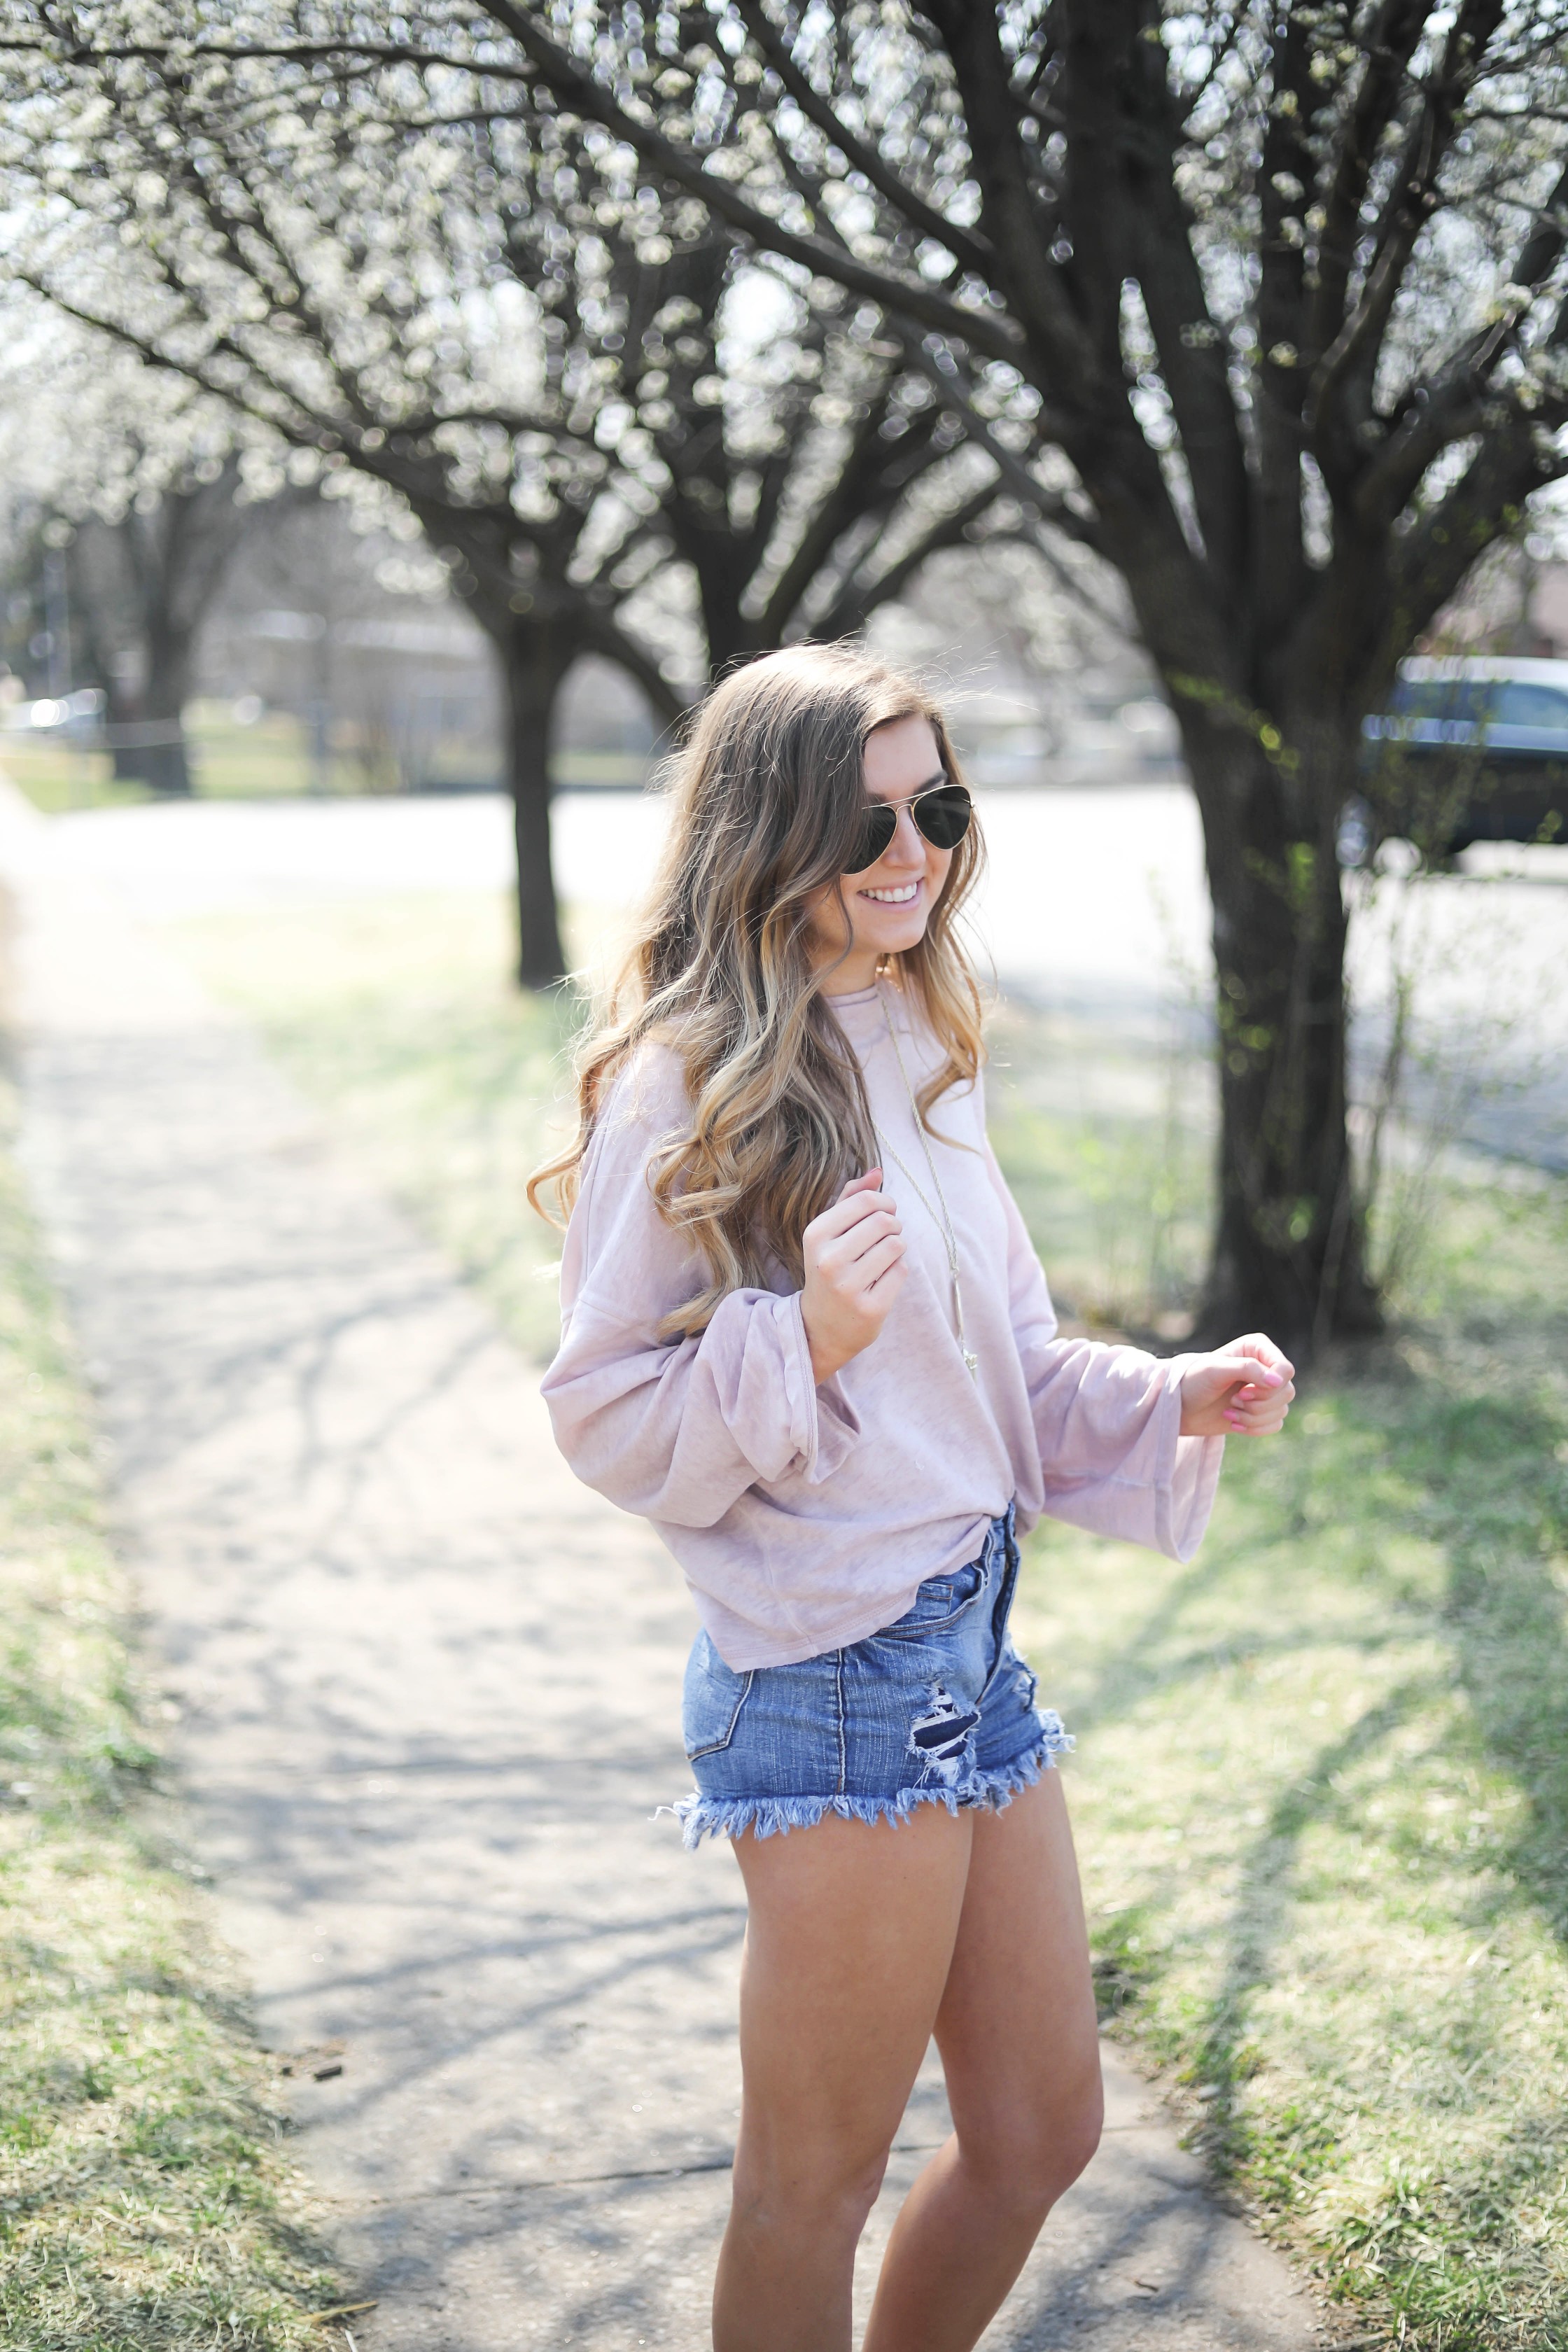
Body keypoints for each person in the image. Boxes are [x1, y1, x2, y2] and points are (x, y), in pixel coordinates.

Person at [531, 645, 1294, 2352]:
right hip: (834, 1676)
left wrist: (1167, 1395)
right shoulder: (691, 1076)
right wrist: (799, 1338)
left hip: (966, 1644)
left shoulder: (915, 1033)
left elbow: (1000, 1358)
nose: (910, 852)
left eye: (934, 808)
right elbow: (601, 1411)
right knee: (811, 2186)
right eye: (862, 819)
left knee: (1039, 2134)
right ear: (764, 832)